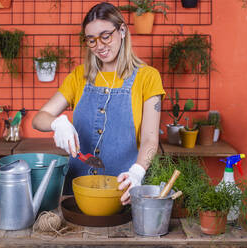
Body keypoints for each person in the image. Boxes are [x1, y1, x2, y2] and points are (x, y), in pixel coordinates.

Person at [32, 2, 165, 205]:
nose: (100, 46)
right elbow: (39, 119)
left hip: (123, 191)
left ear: (122, 30)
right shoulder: (79, 76)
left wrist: (137, 172)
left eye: (105, 36)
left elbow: (150, 139)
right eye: (91, 40)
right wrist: (57, 123)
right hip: (76, 191)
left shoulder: (148, 77)